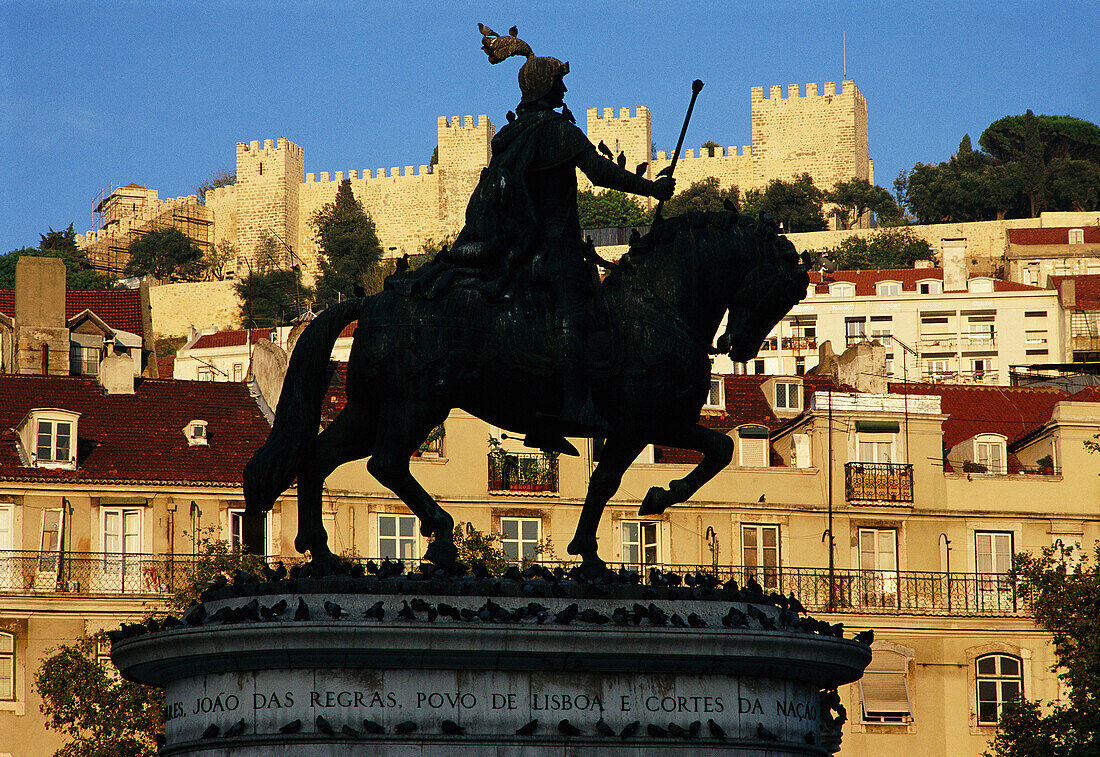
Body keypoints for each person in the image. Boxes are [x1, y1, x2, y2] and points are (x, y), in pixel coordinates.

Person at [454, 25, 675, 440]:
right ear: (545, 88)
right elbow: (602, 173)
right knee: (574, 319)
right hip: (556, 250)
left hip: (518, 249)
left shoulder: (509, 136)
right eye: (560, 84)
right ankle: (572, 406)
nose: (565, 92)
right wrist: (652, 188)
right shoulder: (558, 132)